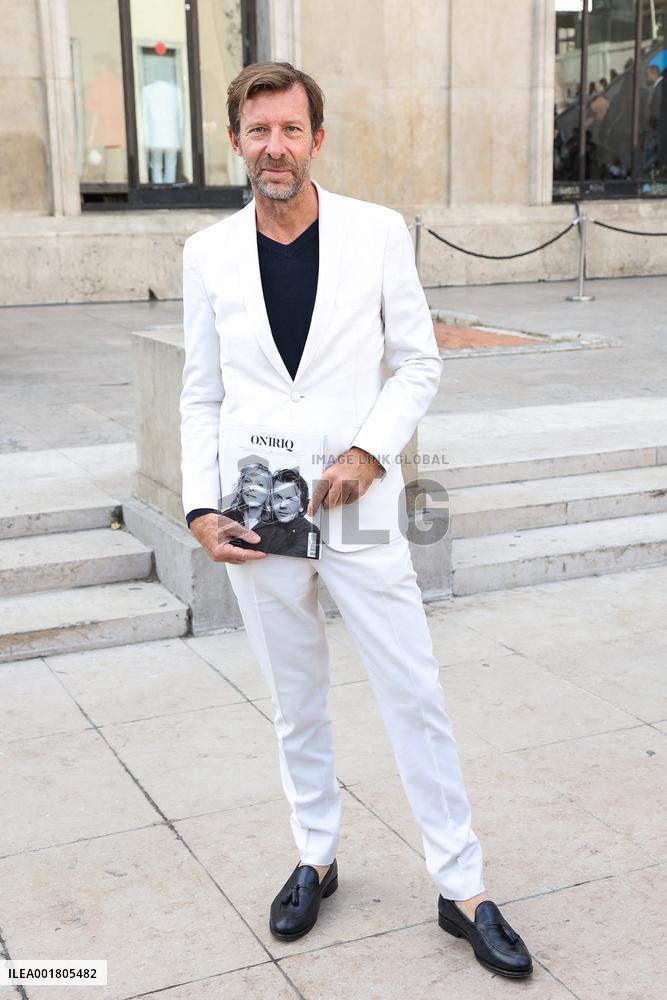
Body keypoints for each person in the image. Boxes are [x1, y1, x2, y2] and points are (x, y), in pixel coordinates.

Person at [179, 60, 533, 978]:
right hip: (255, 514)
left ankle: (462, 888)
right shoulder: (206, 253)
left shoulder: (375, 233)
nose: (275, 147)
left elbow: (417, 362)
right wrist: (198, 506)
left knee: (412, 688)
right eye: (259, 131)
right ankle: (316, 855)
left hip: (360, 505)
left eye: (290, 129)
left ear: (317, 139)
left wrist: (371, 451)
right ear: (235, 141)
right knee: (293, 700)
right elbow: (201, 394)